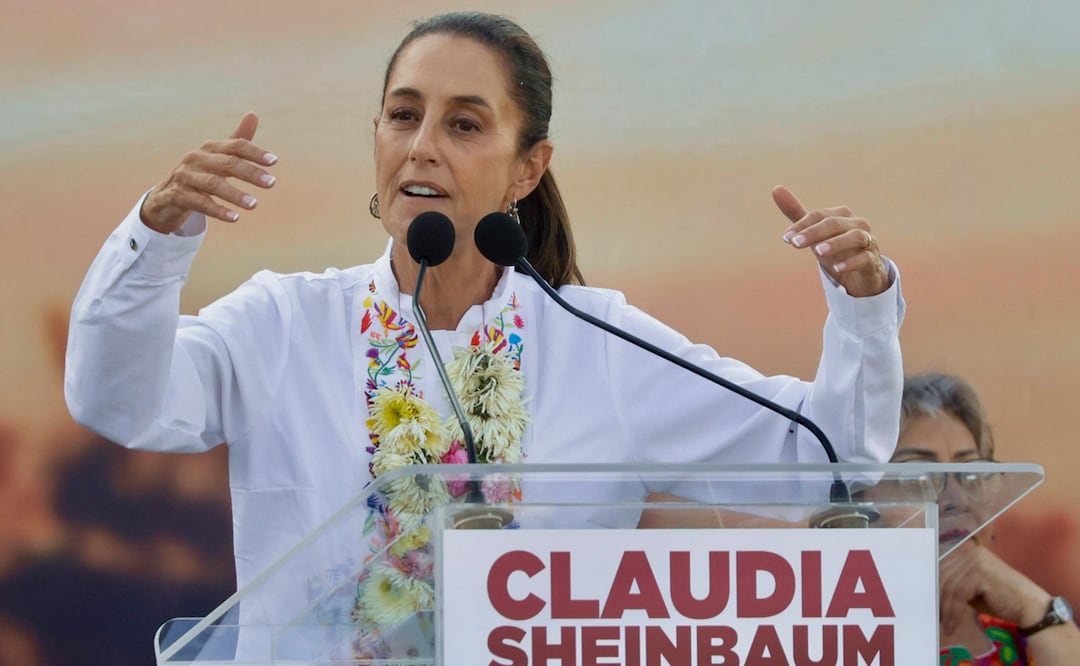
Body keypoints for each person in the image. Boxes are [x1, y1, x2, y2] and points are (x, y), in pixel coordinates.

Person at [64, 10, 905, 639]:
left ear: (528, 169)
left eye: (464, 124)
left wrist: (861, 307)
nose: (422, 146)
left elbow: (826, 458)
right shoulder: (283, 323)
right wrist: (156, 237)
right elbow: (117, 400)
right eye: (403, 115)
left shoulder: (597, 343)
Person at [894, 373, 1080, 664]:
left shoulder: (1029, 633)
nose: (957, 500)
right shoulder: (826, 635)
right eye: (919, 475)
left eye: (971, 474)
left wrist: (1037, 610)